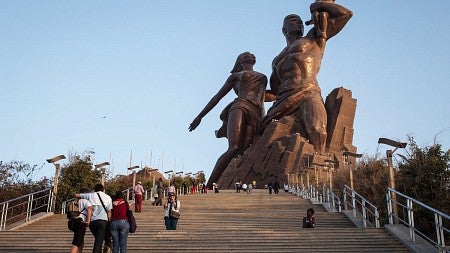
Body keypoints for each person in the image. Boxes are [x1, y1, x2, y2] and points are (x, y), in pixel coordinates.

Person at [260, 1, 353, 154]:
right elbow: (275, 91)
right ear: (284, 29)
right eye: (292, 20)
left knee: (317, 130)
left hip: (308, 91)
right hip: (283, 99)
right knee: (262, 133)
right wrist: (253, 96)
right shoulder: (277, 60)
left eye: (299, 21)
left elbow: (345, 14)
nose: (297, 22)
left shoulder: (314, 38)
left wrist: (319, 5)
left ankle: (318, 168)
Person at [189, 52, 272, 187]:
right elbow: (218, 96)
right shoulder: (236, 76)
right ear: (240, 61)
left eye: (251, 54)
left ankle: (236, 181)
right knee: (233, 148)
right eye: (246, 54)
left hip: (257, 112)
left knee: (246, 149)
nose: (250, 54)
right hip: (240, 106)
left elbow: (267, 95)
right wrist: (200, 116)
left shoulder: (263, 77)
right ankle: (209, 185)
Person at [75, 184, 112, 253]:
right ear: (103, 190)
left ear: (95, 189)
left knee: (98, 239)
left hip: (92, 222)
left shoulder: (90, 195)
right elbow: (109, 211)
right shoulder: (108, 197)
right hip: (103, 222)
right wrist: (109, 222)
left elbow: (77, 195)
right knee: (99, 241)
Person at [70, 187, 92, 253]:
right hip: (81, 221)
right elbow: (89, 209)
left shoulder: (76, 201)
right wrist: (88, 221)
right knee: (77, 242)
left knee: (80, 239)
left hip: (74, 221)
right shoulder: (85, 201)